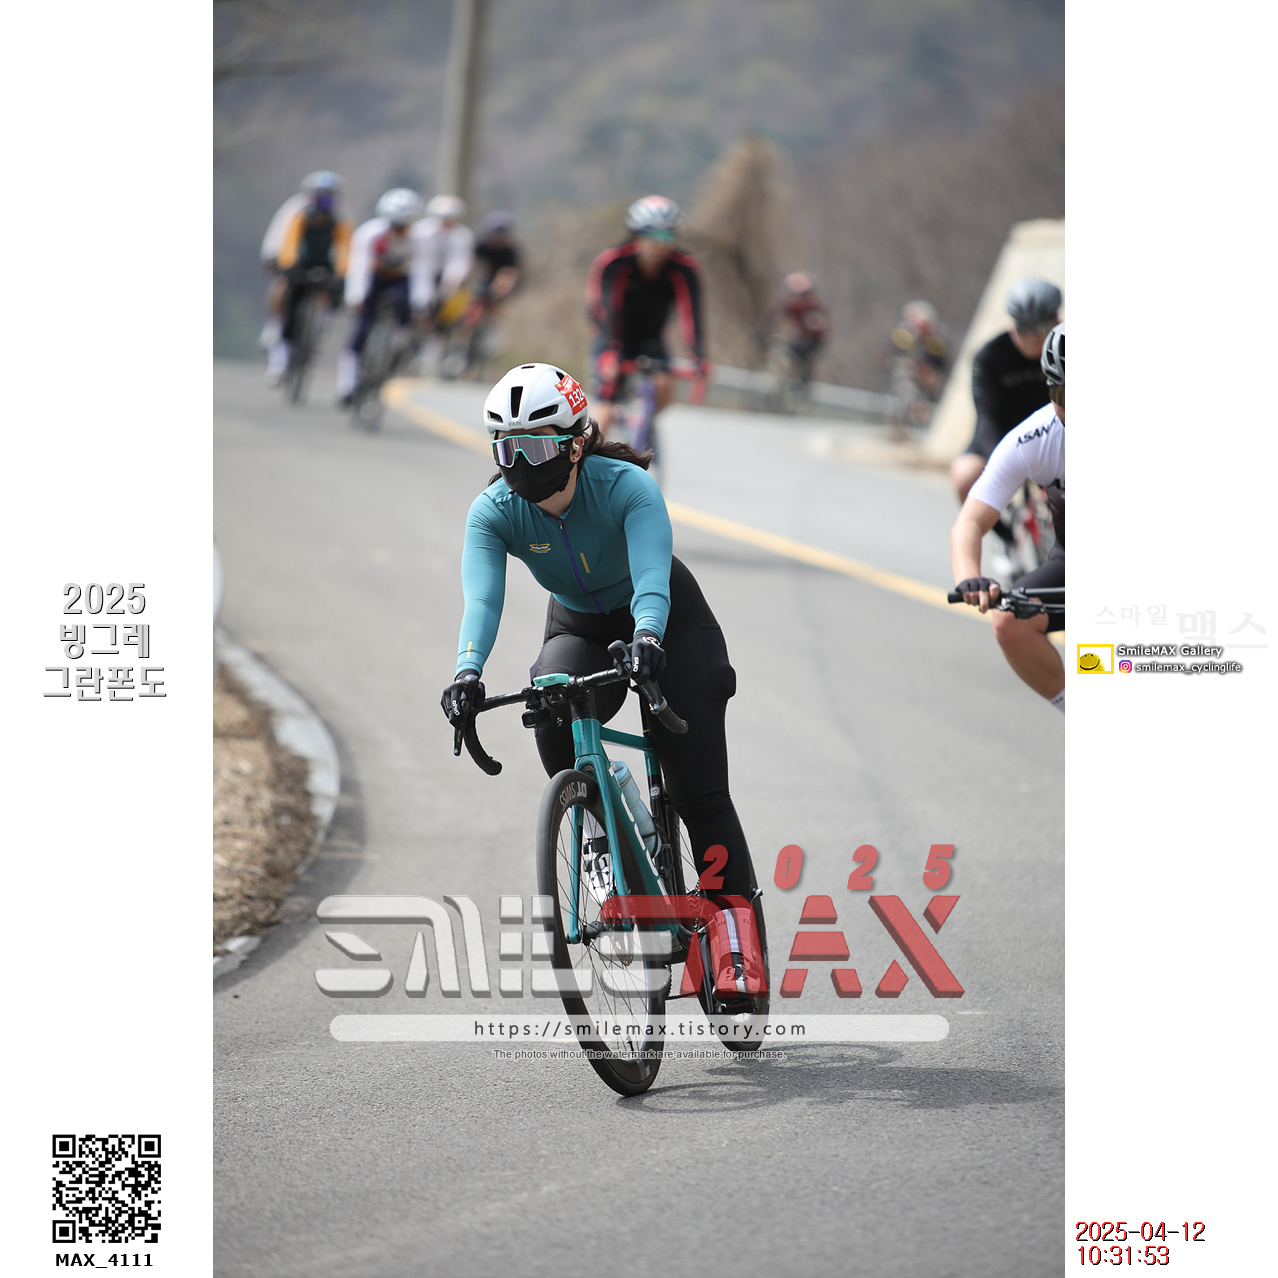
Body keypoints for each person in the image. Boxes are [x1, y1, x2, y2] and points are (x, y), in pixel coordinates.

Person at [440, 362, 763, 956]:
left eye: (536, 446)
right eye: (506, 449)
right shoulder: (493, 512)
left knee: (700, 795)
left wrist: (649, 638)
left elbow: (652, 580)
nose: (519, 464)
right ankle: (597, 822)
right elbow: (483, 600)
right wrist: (467, 672)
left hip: (667, 622)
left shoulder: (626, 487)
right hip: (580, 626)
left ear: (575, 444)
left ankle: (735, 943)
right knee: (550, 699)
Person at [950, 324, 1065, 713]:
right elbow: (969, 523)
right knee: (1010, 622)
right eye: (1065, 396)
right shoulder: (1034, 439)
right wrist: (970, 576)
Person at [586, 196, 712, 437]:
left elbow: (691, 312)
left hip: (651, 337)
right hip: (613, 335)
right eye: (651, 235)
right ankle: (590, 453)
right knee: (605, 408)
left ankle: (640, 425)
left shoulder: (684, 267)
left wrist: (698, 354)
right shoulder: (614, 263)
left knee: (665, 387)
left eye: (667, 236)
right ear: (636, 235)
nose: (659, 243)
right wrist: (609, 353)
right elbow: (604, 310)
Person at [949, 277, 1062, 507]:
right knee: (965, 474)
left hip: (1056, 435)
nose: (1031, 337)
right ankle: (998, 527)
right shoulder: (990, 357)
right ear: (1012, 325)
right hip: (1003, 434)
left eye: (1040, 327)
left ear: (1057, 321)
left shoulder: (1067, 350)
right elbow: (988, 419)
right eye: (1023, 328)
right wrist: (1009, 465)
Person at [261, 172, 350, 381]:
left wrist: (342, 272)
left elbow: (344, 248)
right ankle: (273, 329)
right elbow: (283, 237)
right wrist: (283, 262)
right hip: (297, 259)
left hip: (323, 261)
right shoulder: (296, 210)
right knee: (283, 288)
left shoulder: (341, 216)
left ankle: (322, 326)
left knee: (329, 291)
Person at [337, 188, 422, 405]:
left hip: (400, 279)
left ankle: (398, 344)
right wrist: (356, 297)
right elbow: (359, 267)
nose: (400, 230)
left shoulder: (418, 239)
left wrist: (421, 302)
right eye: (395, 225)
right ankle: (347, 382)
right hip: (372, 278)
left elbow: (422, 272)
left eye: (404, 225)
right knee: (362, 325)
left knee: (405, 305)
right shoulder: (369, 234)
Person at [444, 210, 522, 378]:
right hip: (484, 280)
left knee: (497, 304)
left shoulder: (510, 251)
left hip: (501, 282)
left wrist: (500, 289)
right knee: (469, 315)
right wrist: (462, 281)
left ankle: (491, 335)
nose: (497, 239)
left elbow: (509, 274)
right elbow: (471, 265)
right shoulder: (482, 246)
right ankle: (458, 351)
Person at [769, 272, 830, 386]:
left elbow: (819, 326)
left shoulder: (813, 306)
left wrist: (811, 327)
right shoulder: (791, 305)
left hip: (812, 341)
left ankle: (802, 383)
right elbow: (774, 317)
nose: (797, 298)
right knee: (785, 351)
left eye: (802, 295)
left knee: (803, 359)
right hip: (799, 338)